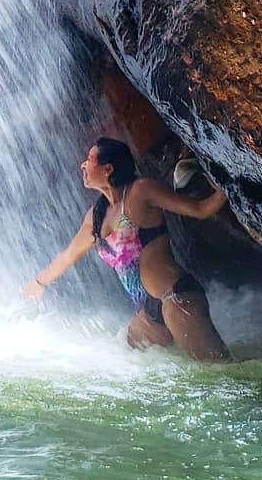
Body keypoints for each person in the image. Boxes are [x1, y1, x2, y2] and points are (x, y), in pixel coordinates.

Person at [21, 137, 232, 361]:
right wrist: (38, 283)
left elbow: (200, 209)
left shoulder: (140, 191)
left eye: (89, 160)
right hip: (148, 314)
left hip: (174, 297)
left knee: (220, 370)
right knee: (129, 366)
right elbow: (68, 256)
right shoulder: (96, 216)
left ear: (108, 169)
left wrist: (229, 185)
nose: (83, 164)